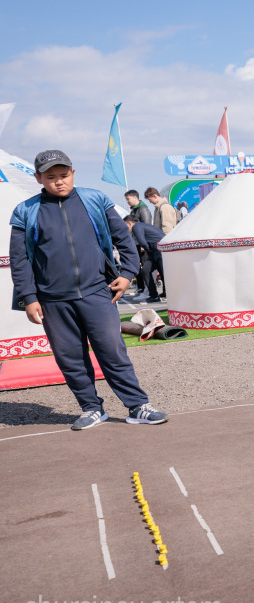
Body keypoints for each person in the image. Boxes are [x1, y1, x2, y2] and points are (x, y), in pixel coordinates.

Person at [8, 150, 169, 430]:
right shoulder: (25, 211)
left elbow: (123, 237)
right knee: (70, 358)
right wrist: (29, 297)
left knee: (112, 350)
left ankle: (137, 405)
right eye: (50, 177)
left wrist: (128, 273)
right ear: (38, 178)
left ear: (73, 173)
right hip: (52, 300)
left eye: (64, 175)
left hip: (98, 292)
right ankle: (91, 408)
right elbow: (19, 259)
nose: (59, 181)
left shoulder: (94, 199)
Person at [123, 215, 166, 303]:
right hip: (157, 250)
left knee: (163, 272)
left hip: (159, 249)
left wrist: (147, 249)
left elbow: (142, 241)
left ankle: (168, 294)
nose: (125, 229)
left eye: (125, 226)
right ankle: (154, 296)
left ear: (130, 223)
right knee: (146, 271)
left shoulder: (136, 227)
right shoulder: (140, 225)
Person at [124, 189, 151, 295]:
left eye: (128, 199)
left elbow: (146, 226)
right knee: (136, 265)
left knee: (145, 266)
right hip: (135, 243)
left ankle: (148, 289)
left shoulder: (143, 209)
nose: (127, 201)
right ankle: (140, 287)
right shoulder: (133, 210)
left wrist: (144, 243)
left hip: (142, 243)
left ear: (135, 197)